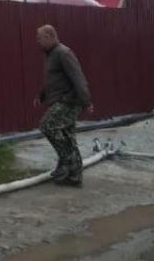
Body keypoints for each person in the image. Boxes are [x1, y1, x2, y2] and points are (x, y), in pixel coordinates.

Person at [34, 25, 93, 187]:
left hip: (68, 101)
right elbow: (53, 80)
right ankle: (73, 175)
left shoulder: (63, 53)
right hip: (59, 99)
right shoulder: (51, 55)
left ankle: (68, 163)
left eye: (39, 38)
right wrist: (42, 95)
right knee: (67, 135)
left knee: (48, 125)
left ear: (50, 36)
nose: (37, 41)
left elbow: (78, 78)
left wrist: (86, 101)